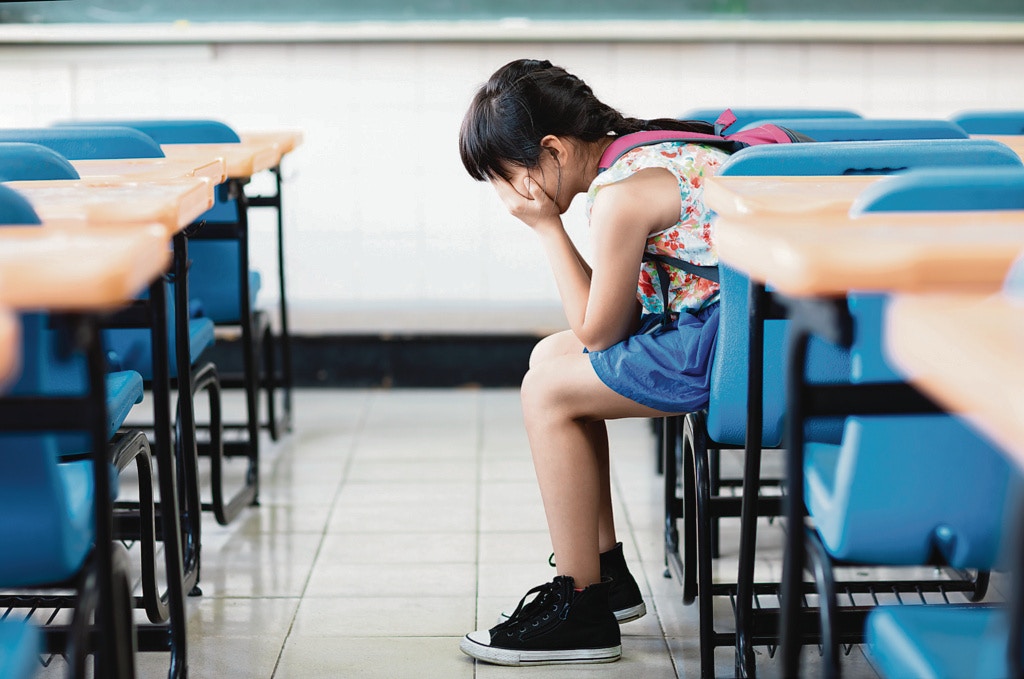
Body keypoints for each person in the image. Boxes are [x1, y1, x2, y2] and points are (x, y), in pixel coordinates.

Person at [457, 58, 726, 667]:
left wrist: (547, 228)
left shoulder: (620, 196)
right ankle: (603, 573)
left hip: (731, 345)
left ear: (550, 150)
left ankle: (580, 609)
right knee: (549, 356)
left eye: (505, 176)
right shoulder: (649, 149)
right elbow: (609, 320)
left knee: (547, 391)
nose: (505, 195)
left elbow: (601, 332)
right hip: (752, 326)